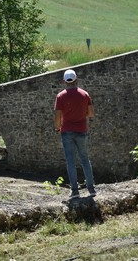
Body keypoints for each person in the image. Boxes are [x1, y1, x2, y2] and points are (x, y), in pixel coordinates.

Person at [54, 69, 96, 199]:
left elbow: (57, 116)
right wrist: (82, 114)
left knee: (70, 161)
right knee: (84, 159)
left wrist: (57, 127)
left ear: (64, 82)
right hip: (82, 130)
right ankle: (91, 189)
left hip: (67, 131)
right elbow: (91, 114)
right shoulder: (85, 94)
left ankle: (75, 191)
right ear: (77, 80)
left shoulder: (60, 96)